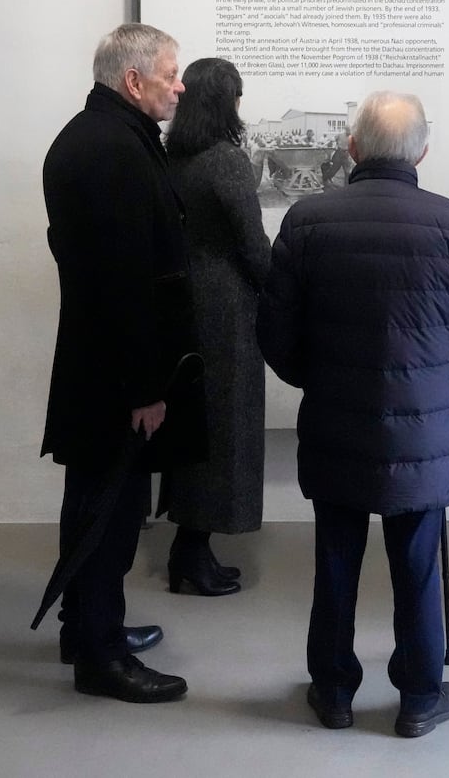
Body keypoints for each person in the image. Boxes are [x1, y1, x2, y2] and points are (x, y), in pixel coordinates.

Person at [259, 91, 449, 739]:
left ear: (352, 147)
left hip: (337, 419)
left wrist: (320, 379)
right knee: (418, 562)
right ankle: (421, 695)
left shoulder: (308, 221)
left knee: (335, 558)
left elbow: (275, 333)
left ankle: (334, 690)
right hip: (422, 428)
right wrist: (431, 383)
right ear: (422, 151)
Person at [41, 22, 203, 703]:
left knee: (95, 499)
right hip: (117, 377)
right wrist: (145, 384)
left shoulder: (102, 137)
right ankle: (100, 655)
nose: (181, 85)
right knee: (109, 507)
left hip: (99, 365)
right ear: (134, 81)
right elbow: (124, 282)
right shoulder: (113, 151)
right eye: (171, 73)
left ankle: (87, 625)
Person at [161, 58, 270, 596]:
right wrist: (280, 287)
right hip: (227, 309)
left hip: (184, 301)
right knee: (224, 429)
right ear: (226, 101)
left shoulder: (171, 156)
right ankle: (192, 554)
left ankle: (190, 547)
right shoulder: (226, 161)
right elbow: (252, 244)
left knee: (194, 427)